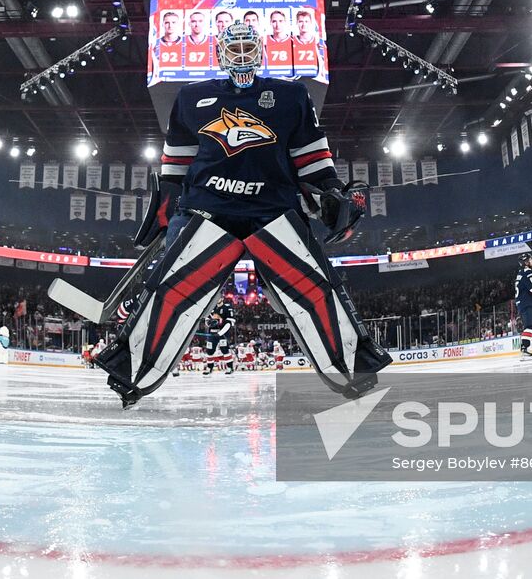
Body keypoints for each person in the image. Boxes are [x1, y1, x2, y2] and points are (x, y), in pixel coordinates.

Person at [94, 21, 388, 406]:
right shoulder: (190, 99)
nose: (243, 55)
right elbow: (174, 170)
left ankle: (356, 373)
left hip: (274, 210)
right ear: (220, 53)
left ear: (262, 50)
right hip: (208, 210)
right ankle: (130, 375)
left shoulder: (292, 96)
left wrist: (331, 192)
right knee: (169, 291)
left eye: (250, 46)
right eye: (235, 48)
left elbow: (313, 159)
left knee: (317, 289)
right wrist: (164, 214)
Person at [201, 298, 236, 376]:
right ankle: (209, 368)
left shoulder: (227, 308)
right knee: (209, 351)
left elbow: (229, 323)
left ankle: (230, 367)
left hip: (222, 333)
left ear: (222, 298)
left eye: (219, 297)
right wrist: (209, 323)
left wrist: (220, 333)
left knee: (225, 350)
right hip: (212, 333)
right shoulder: (211, 308)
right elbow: (207, 322)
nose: (217, 298)